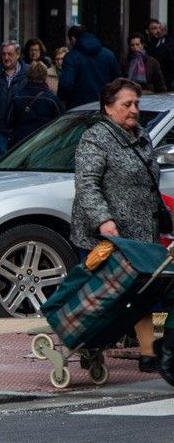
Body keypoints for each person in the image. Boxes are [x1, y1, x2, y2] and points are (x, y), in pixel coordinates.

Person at [71, 78, 174, 377]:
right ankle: (90, 348)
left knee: (148, 296)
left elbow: (149, 183)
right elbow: (87, 184)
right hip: (107, 238)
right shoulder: (94, 138)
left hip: (143, 233)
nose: (133, 110)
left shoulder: (141, 136)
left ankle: (149, 352)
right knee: (102, 299)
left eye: (136, 104)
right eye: (126, 104)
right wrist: (104, 219)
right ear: (107, 107)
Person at [0, 40, 29, 160]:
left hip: (20, 128)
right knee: (1, 163)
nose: (6, 57)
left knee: (20, 162)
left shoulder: (27, 73)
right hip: (0, 128)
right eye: (3, 54)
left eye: (10, 54)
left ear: (18, 55)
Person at [57, 25, 121, 109]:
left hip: (78, 108)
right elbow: (118, 81)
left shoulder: (71, 57)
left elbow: (65, 84)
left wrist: (62, 98)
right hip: (104, 106)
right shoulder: (108, 54)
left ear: (72, 39)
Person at [8, 61, 63, 146]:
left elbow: (9, 120)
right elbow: (60, 124)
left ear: (28, 75)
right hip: (43, 144)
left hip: (20, 144)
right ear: (45, 76)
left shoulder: (17, 96)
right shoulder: (52, 99)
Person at [145, 18, 174, 91]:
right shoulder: (143, 48)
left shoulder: (165, 49)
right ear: (147, 31)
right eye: (154, 28)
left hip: (161, 90)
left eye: (159, 28)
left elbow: (170, 71)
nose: (158, 31)